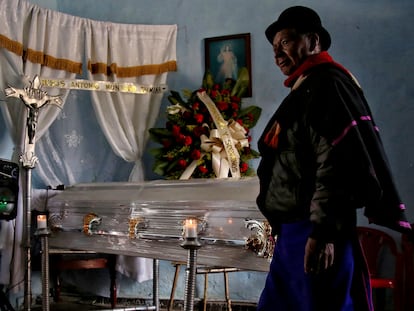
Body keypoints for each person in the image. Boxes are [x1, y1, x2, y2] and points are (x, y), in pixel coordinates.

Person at [256, 6, 412, 311]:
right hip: (296, 230)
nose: (277, 54)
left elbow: (336, 163)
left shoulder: (326, 84)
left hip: (314, 229)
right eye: (274, 48)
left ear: (313, 41)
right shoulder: (307, 87)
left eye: (285, 42)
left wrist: (324, 233)